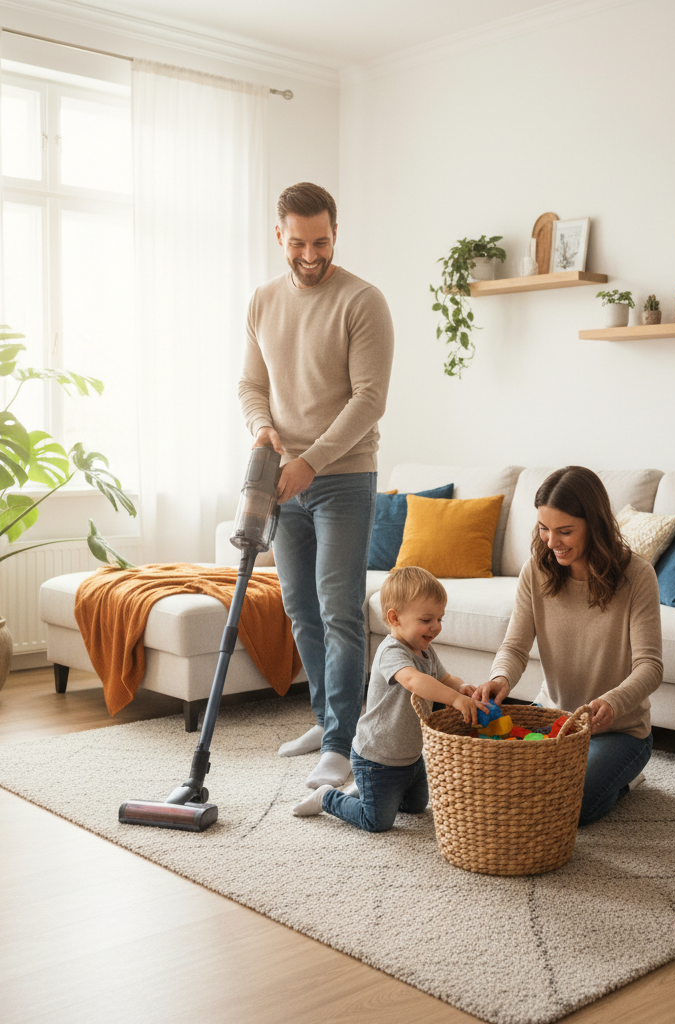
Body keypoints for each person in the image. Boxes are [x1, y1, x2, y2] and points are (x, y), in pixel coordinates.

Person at [239, 182, 394, 790]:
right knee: (298, 605)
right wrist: (263, 431)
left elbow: (369, 400)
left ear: (336, 233)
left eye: (321, 242)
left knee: (339, 607)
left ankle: (342, 744)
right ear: (279, 235)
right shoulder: (261, 301)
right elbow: (252, 386)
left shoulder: (362, 301)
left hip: (345, 477)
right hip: (283, 479)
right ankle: (326, 718)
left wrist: (313, 461)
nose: (310, 255)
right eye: (298, 243)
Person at [474, 466, 663, 825]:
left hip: (619, 731)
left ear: (595, 525)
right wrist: (500, 679)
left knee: (567, 807)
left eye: (564, 532)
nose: (551, 542)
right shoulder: (537, 570)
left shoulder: (637, 576)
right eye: (544, 529)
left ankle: (624, 778)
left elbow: (650, 667)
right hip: (554, 720)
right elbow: (515, 646)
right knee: (502, 783)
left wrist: (612, 701)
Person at [291, 566, 485, 828]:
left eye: (440, 619)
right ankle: (327, 797)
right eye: (426, 620)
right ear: (395, 618)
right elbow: (415, 681)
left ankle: (364, 791)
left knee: (415, 807)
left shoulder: (425, 651)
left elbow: (444, 678)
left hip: (411, 757)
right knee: (376, 821)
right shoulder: (391, 652)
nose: (436, 627)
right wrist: (454, 699)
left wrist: (463, 688)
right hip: (377, 758)